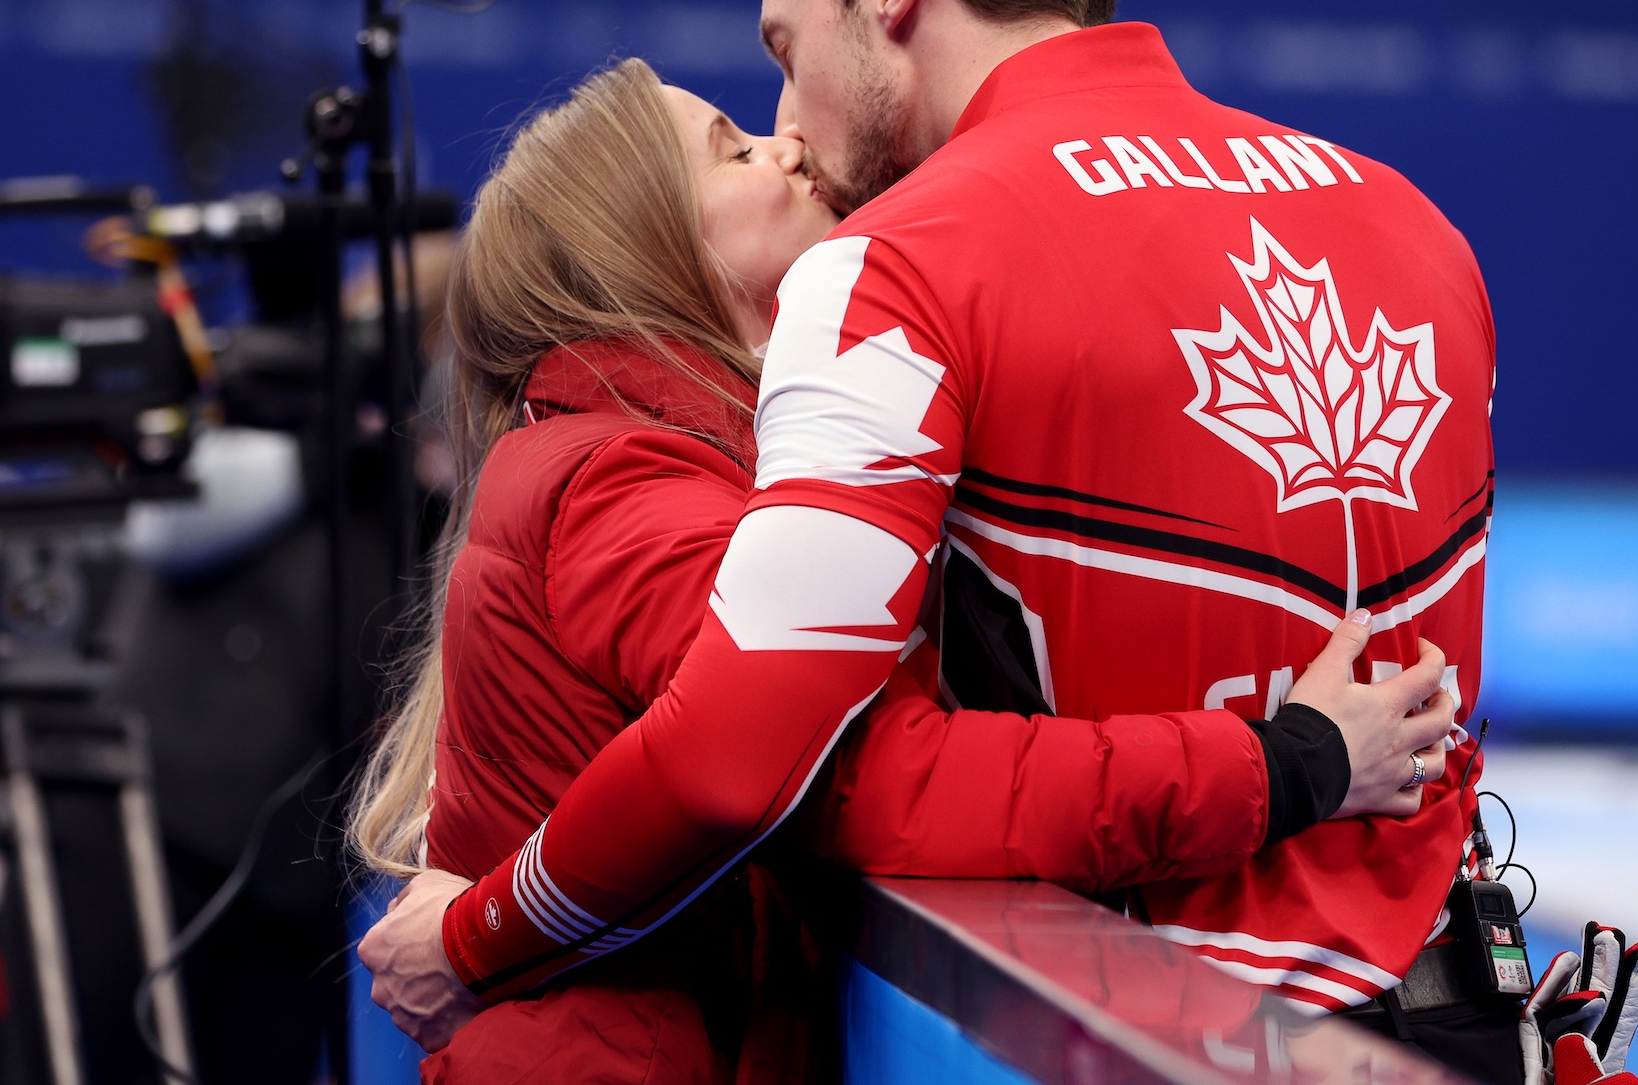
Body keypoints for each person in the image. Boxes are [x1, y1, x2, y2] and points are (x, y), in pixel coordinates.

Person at [354, 54, 1458, 1081]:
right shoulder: (629, 474)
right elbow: (880, 780)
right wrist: (1282, 763)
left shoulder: (619, 447)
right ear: (643, 245)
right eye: (736, 147)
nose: (785, 144)